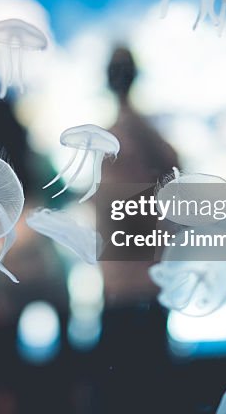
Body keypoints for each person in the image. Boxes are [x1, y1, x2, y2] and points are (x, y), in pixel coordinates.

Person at [94, 46, 181, 414]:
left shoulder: (106, 142)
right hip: (148, 282)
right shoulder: (153, 141)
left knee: (122, 394)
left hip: (121, 288)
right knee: (154, 390)